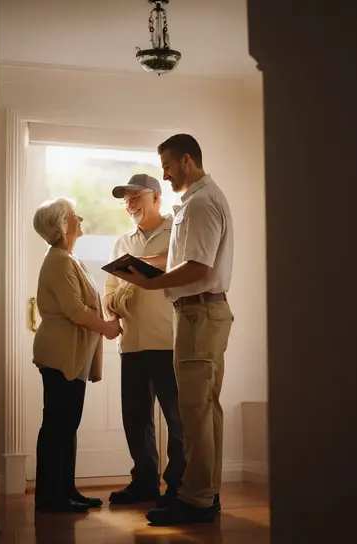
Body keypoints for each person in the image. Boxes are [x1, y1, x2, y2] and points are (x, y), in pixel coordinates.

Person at [113, 135, 234, 526]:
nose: (164, 174)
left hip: (199, 314)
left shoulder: (200, 202)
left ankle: (196, 499)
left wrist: (149, 282)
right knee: (202, 411)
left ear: (186, 160)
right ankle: (201, 494)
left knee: (195, 413)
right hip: (198, 314)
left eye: (166, 165)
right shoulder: (197, 201)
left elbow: (198, 266)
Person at [32, 197, 122, 513]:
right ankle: (50, 496)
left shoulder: (69, 258)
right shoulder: (58, 260)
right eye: (74, 215)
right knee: (58, 425)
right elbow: (75, 310)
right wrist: (107, 328)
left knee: (66, 424)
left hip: (72, 355)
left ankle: (64, 490)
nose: (80, 218)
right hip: (60, 353)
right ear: (61, 225)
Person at [104, 174, 186, 506]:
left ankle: (180, 485)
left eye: (135, 196)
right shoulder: (121, 242)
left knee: (177, 418)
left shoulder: (178, 232)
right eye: (125, 200)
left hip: (168, 340)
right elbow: (109, 289)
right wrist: (112, 310)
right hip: (133, 345)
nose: (130, 204)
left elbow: (186, 272)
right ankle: (144, 483)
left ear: (155, 197)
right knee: (136, 418)